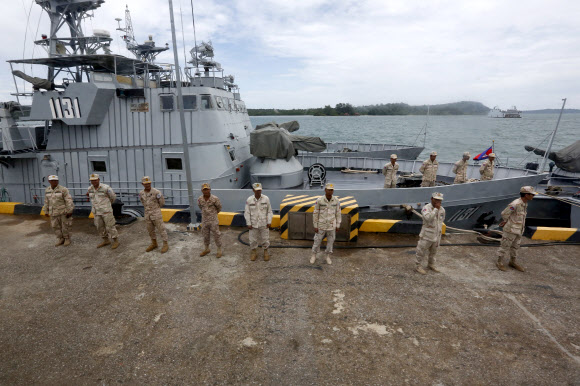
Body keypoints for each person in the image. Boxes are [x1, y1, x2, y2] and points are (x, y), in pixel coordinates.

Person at [496, 186, 537, 272]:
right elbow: (504, 213)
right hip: (511, 229)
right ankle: (499, 262)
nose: (533, 196)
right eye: (531, 194)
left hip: (519, 229)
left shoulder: (524, 203)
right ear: (526, 195)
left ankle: (512, 262)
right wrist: (506, 221)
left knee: (515, 247)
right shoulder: (515, 204)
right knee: (505, 246)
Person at [310, 183, 342, 265]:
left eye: (331, 190)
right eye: (328, 190)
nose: (330, 191)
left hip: (331, 226)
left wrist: (338, 225)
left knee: (330, 242)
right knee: (317, 241)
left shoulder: (336, 201)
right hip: (321, 225)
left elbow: (338, 213)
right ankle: (314, 255)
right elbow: (315, 213)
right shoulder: (319, 200)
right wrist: (315, 225)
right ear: (325, 190)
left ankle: (328, 256)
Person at [415, 192, 446, 274]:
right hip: (427, 235)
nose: (438, 202)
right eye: (436, 199)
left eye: (439, 200)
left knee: (433, 252)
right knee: (421, 251)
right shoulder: (426, 208)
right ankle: (418, 266)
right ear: (432, 199)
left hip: (437, 235)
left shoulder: (442, 210)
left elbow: (441, 221)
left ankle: (431, 264)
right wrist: (435, 209)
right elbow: (428, 218)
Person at [86, 174, 120, 249]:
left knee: (110, 226)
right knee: (99, 227)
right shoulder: (90, 189)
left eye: (95, 180)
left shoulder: (106, 188)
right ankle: (106, 240)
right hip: (96, 212)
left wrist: (106, 205)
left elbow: (113, 197)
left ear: (98, 179)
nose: (93, 181)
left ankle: (115, 241)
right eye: (92, 180)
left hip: (106, 211)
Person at [42, 175, 74, 246]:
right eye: (52, 180)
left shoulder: (63, 189)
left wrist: (69, 210)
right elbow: (46, 201)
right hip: (53, 212)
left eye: (56, 180)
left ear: (58, 181)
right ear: (49, 181)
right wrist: (46, 211)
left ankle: (67, 238)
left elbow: (68, 200)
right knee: (55, 226)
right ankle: (61, 239)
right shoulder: (47, 190)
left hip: (63, 211)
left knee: (65, 226)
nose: (54, 182)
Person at [244, 183, 273, 261]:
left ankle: (266, 251)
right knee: (253, 240)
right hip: (253, 224)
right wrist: (248, 223)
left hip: (264, 223)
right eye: (256, 190)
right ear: (253, 190)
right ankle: (254, 251)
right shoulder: (249, 200)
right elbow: (247, 212)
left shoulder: (266, 199)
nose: (258, 192)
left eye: (259, 190)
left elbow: (269, 211)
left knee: (265, 238)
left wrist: (269, 221)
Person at [139, 176, 169, 253]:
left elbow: (162, 203)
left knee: (161, 229)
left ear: (150, 183)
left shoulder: (156, 192)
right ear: (142, 184)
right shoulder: (141, 193)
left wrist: (155, 209)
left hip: (156, 214)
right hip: (147, 214)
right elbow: (142, 202)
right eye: (145, 184)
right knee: (150, 230)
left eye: (148, 183)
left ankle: (165, 244)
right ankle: (154, 243)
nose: (147, 185)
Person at [197, 183, 223, 258]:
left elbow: (219, 207)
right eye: (204, 190)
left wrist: (213, 214)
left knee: (216, 235)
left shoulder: (215, 199)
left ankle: (219, 249)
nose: (206, 191)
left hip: (213, 220)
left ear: (210, 190)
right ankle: (206, 249)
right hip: (204, 220)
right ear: (202, 191)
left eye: (207, 189)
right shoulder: (200, 199)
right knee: (205, 235)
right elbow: (200, 207)